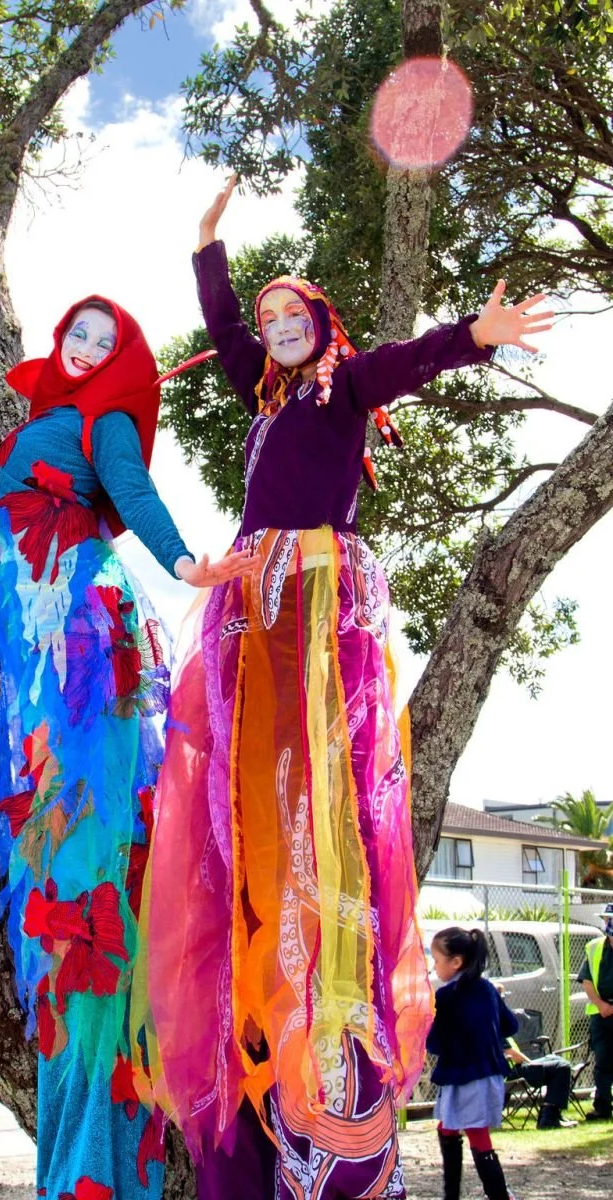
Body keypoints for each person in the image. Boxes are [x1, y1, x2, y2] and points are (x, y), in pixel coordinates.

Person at [134, 176, 554, 1200]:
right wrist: (204, 248)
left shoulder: (343, 387)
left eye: (292, 316)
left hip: (314, 603)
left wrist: (476, 332)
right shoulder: (265, 394)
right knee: (250, 789)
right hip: (252, 600)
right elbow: (223, 326)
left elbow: (409, 362)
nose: (273, 328)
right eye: (268, 318)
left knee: (312, 785)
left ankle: (331, 1091)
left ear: (320, 329)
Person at [0, 295, 254, 1200]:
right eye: (77, 334)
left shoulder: (108, 417)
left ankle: (97, 1169)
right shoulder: (45, 413)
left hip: (85, 632)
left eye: (105, 339)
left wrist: (183, 562)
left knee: (87, 876)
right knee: (62, 861)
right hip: (40, 644)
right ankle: (84, 1156)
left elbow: (131, 492)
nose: (87, 349)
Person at [428, 927, 518, 1200]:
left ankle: (499, 1196)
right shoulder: (488, 989)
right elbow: (510, 1024)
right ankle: (451, 1195)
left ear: (456, 962)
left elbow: (435, 1044)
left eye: (437, 960)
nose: (434, 967)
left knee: (478, 1137)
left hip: (466, 1077)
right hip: (486, 1074)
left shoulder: (446, 997)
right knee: (447, 1127)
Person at [577, 902, 613, 1121]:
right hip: (601, 1014)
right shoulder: (594, 947)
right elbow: (587, 979)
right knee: (603, 1061)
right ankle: (602, 1107)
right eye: (608, 920)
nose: (609, 924)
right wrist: (601, 1005)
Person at [503, 1035, 576, 1129]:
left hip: (518, 1068)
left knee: (556, 1059)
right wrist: (531, 1063)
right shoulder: (495, 1028)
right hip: (512, 1074)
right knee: (562, 1067)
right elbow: (514, 1056)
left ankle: (552, 1114)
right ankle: (549, 1117)